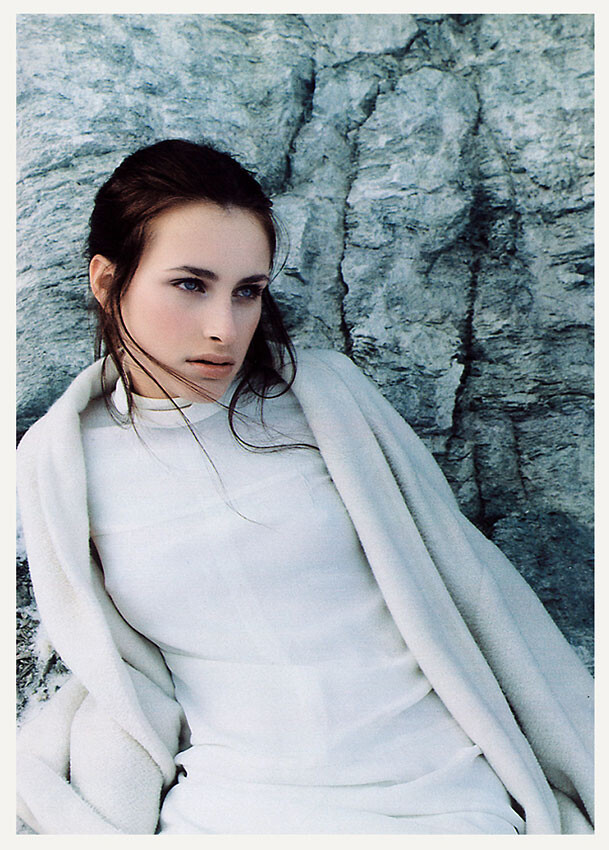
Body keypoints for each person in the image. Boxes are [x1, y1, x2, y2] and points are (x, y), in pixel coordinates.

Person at [16, 139, 593, 835]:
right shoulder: (61, 461)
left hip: (432, 793)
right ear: (108, 282)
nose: (224, 329)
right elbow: (117, 667)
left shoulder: (327, 401)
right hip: (230, 803)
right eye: (190, 285)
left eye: (247, 291)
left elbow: (470, 588)